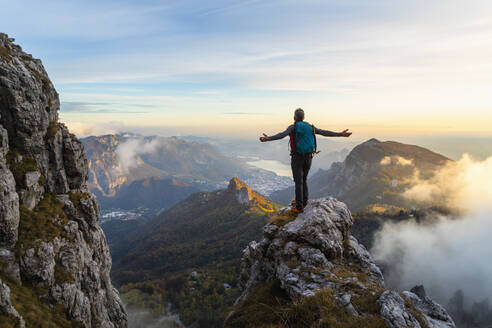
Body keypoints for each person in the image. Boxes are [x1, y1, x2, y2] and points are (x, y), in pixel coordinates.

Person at [259, 108, 352, 213]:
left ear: (294, 117)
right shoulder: (310, 127)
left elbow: (281, 135)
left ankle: (299, 207)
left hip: (297, 157)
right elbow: (324, 132)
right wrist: (341, 134)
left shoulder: (293, 127)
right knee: (304, 179)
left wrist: (268, 138)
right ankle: (304, 201)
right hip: (308, 157)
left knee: (298, 181)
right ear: (303, 117)